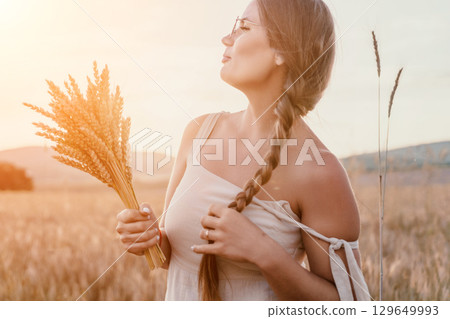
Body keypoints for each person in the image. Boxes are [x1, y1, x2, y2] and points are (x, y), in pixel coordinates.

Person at [116, 0, 371, 301]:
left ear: (283, 51)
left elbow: (350, 306)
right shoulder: (199, 132)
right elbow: (176, 254)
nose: (227, 38)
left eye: (244, 27)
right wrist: (149, 237)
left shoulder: (321, 171)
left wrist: (263, 252)